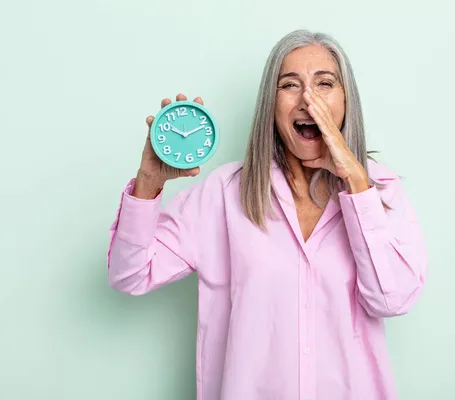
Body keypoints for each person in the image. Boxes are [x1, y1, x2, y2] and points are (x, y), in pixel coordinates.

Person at [107, 29, 428, 400]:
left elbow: (393, 300)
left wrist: (356, 182)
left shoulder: (381, 191)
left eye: (325, 83)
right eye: (290, 85)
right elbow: (129, 275)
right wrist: (148, 182)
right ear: (270, 105)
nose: (308, 99)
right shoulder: (223, 193)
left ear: (346, 100)